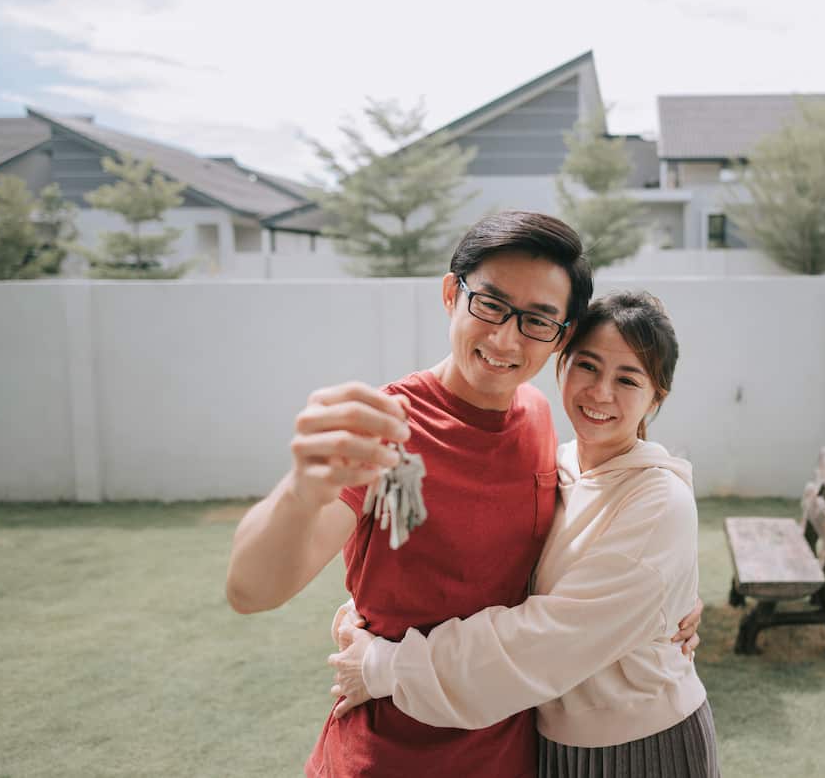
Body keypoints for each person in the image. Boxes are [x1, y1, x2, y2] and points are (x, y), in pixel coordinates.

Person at [225, 212, 697, 778]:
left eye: (536, 320)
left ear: (560, 336)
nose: (505, 339)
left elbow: (566, 554)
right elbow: (251, 591)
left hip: (512, 755)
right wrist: (300, 491)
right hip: (388, 756)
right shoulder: (388, 427)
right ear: (452, 294)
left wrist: (667, 605)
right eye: (490, 305)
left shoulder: (538, 419)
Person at [327, 291, 721, 778]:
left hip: (642, 745)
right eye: (588, 366)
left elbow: (549, 639)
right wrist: (372, 613)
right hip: (550, 744)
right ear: (562, 365)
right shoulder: (556, 465)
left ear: (656, 397)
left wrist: (385, 666)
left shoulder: (660, 502)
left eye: (627, 379)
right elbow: (483, 560)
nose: (601, 392)